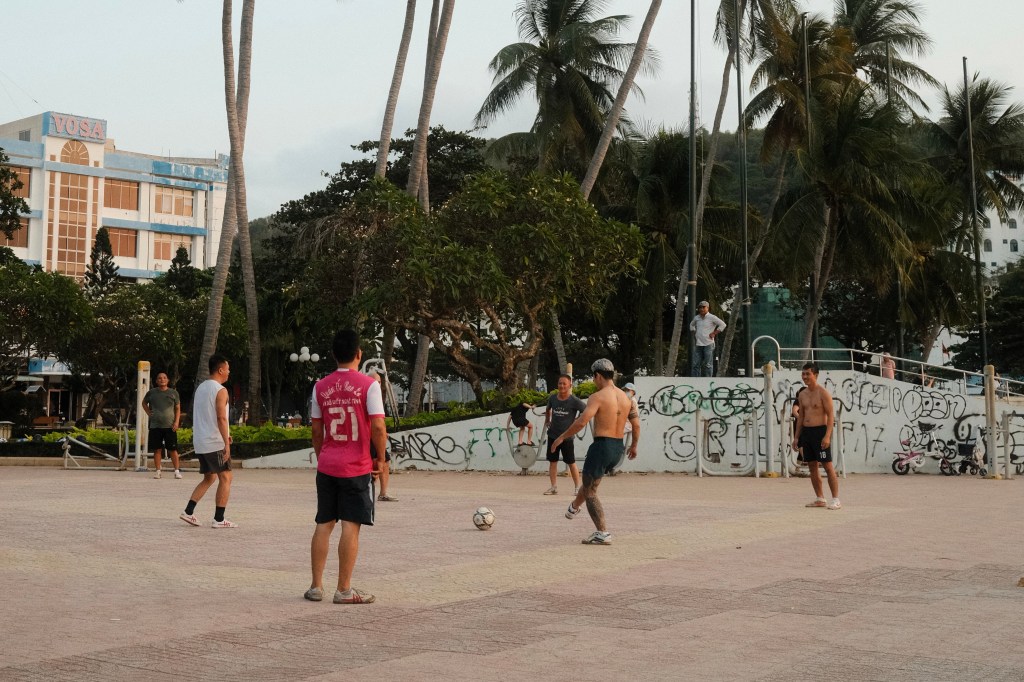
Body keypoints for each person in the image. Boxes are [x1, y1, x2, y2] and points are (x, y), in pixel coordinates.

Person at [305, 330, 387, 605]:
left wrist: (323, 457)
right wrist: (380, 459)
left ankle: (316, 586)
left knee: (324, 523)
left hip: (327, 465)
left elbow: (316, 431)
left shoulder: (320, 386)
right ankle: (343, 590)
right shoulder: (369, 385)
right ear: (359, 354)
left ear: (333, 355)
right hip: (357, 467)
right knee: (351, 524)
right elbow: (378, 426)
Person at [550, 358, 640, 545]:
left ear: (598, 376)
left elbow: (582, 422)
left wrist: (561, 437)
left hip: (601, 446)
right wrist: (634, 446)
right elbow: (636, 424)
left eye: (593, 377)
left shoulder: (597, 397)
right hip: (618, 448)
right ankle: (574, 507)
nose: (593, 381)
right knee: (590, 483)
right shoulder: (627, 398)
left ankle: (602, 533)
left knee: (590, 491)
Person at [179, 355, 236, 528]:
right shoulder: (221, 390)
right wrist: (226, 443)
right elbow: (221, 417)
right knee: (226, 477)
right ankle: (219, 519)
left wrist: (225, 435)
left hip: (201, 440)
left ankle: (188, 511)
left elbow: (207, 415)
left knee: (210, 478)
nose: (229, 372)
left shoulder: (201, 388)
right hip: (214, 442)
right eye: (228, 369)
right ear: (220, 370)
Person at [792, 362, 840, 510]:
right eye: (803, 374)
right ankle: (820, 498)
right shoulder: (802, 394)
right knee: (812, 466)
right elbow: (801, 416)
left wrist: (827, 436)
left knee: (827, 466)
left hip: (820, 432)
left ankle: (836, 499)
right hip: (806, 433)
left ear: (816, 375)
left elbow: (831, 416)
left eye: (808, 374)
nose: (805, 376)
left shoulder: (823, 393)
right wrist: (796, 437)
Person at [542, 374, 586, 495]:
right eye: (560, 383)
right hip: (553, 435)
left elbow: (586, 410)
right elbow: (548, 409)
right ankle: (553, 487)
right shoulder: (553, 398)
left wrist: (577, 420)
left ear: (570, 385)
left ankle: (577, 488)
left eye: (564, 384)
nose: (562, 386)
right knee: (553, 462)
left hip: (567, 438)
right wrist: (547, 420)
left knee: (571, 462)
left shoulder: (574, 401)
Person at [143, 371, 181, 479]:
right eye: (159, 378)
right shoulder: (151, 393)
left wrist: (176, 422)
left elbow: (178, 408)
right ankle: (158, 471)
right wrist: (148, 412)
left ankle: (177, 471)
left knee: (173, 449)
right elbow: (144, 403)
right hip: (155, 426)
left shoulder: (173, 393)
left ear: (168, 380)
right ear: (156, 381)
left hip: (170, 426)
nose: (162, 380)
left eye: (164, 378)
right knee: (157, 449)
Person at [369, 371, 397, 502]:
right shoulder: (366, 395)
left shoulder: (377, 396)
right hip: (369, 436)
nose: (377, 384)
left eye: (379, 382)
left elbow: (380, 420)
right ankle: (371, 491)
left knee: (384, 461)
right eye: (375, 381)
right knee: (375, 462)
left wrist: (383, 432)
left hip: (377, 436)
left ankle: (383, 492)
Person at [689, 300, 726, 377]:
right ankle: (695, 380)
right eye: (700, 307)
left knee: (708, 364)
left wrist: (714, 333)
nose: (701, 309)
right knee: (696, 364)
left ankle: (708, 380)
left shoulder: (712, 317)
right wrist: (694, 332)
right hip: (698, 344)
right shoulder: (696, 318)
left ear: (707, 308)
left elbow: (723, 324)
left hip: (708, 344)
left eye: (703, 307)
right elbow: (691, 325)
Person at [620, 382, 640, 470]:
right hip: (627, 423)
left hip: (628, 424)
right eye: (625, 390)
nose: (626, 391)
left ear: (633, 392)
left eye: (628, 390)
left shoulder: (632, 400)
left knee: (616, 432)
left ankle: (619, 448)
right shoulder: (628, 399)